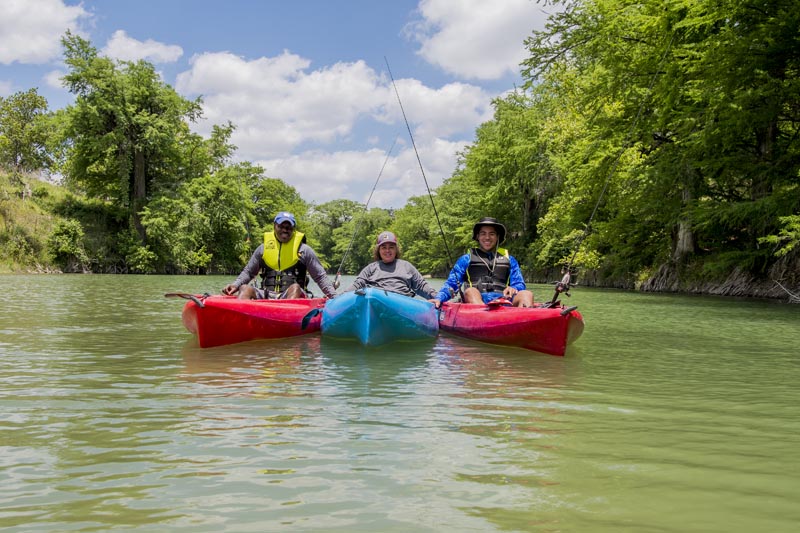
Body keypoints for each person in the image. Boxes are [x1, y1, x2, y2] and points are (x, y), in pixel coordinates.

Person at [222, 211, 337, 300]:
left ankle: (289, 323)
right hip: (266, 294)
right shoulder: (262, 249)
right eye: (281, 226)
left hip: (292, 296)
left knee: (295, 288)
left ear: (293, 229)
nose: (285, 230)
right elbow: (248, 272)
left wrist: (334, 297)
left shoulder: (304, 250)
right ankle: (242, 321)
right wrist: (235, 285)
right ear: (274, 226)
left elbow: (320, 277)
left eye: (288, 227)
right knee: (244, 288)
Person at [433, 217, 534, 307]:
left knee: (527, 294)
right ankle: (483, 318)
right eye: (483, 233)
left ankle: (525, 323)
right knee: (470, 291)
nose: (487, 238)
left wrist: (514, 288)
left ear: (498, 237)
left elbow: (519, 284)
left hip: (505, 301)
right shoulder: (465, 259)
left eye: (492, 234)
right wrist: (439, 298)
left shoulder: (510, 260)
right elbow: (451, 284)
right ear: (477, 236)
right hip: (476, 301)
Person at [344, 231, 438, 301]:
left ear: (396, 250)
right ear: (379, 250)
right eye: (384, 247)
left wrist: (438, 297)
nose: (387, 251)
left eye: (391, 247)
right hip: (376, 301)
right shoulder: (370, 268)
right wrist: (339, 297)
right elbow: (357, 284)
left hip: (402, 302)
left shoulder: (406, 266)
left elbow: (421, 286)